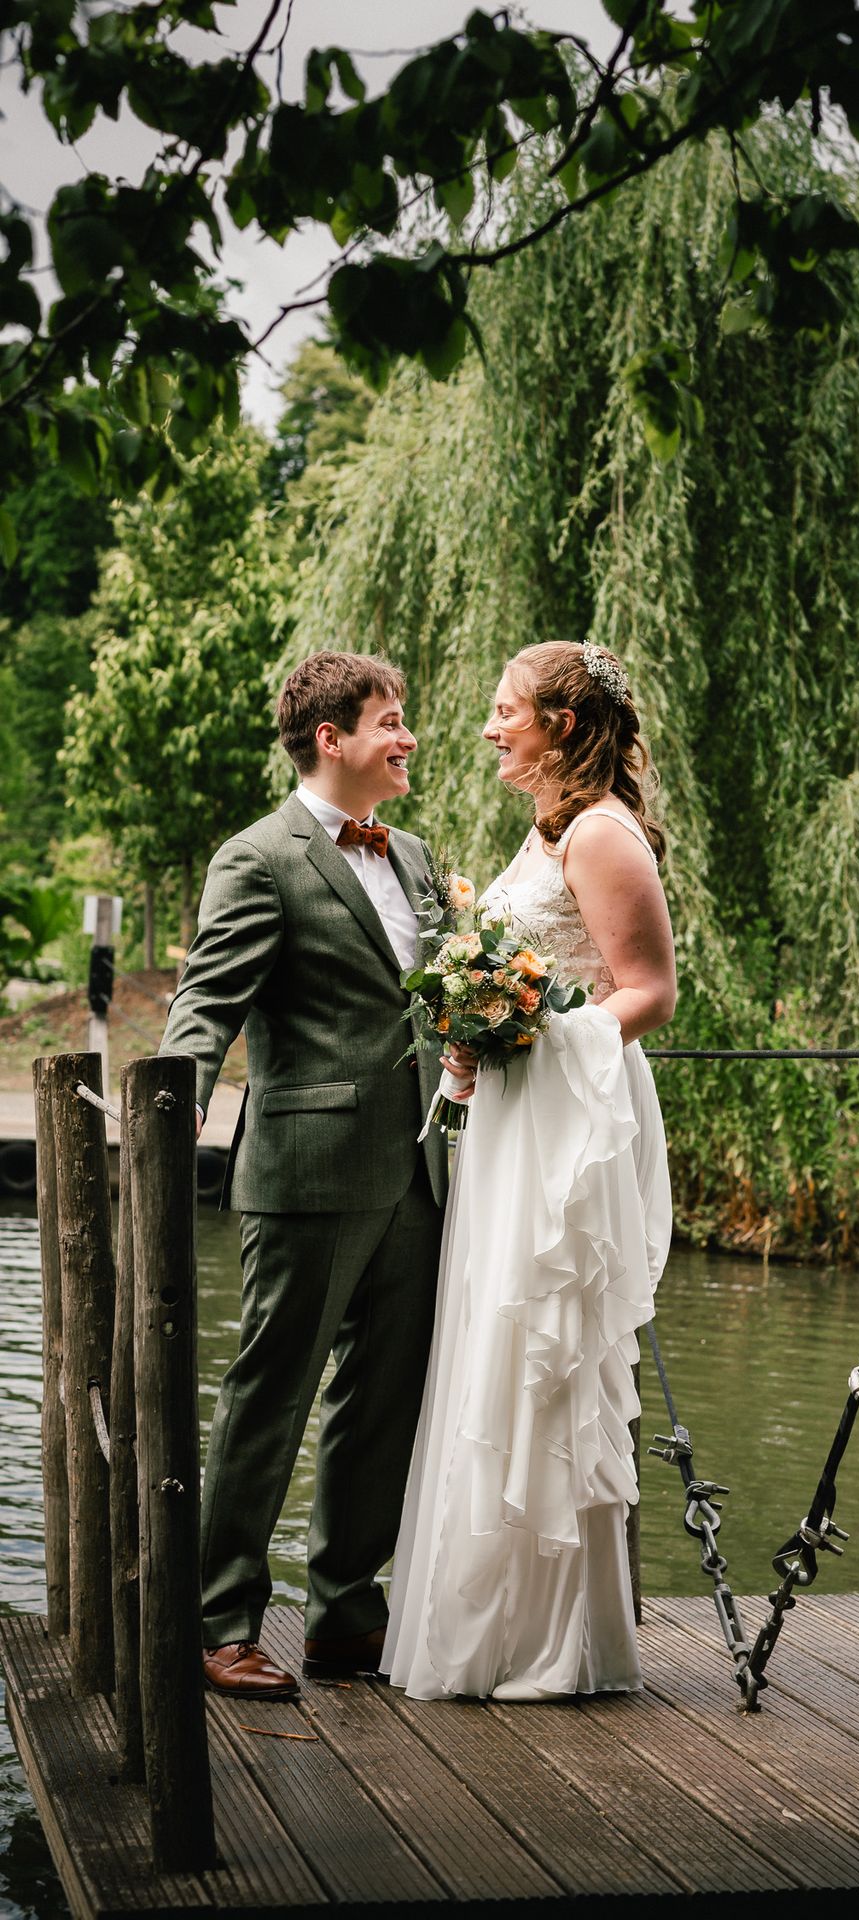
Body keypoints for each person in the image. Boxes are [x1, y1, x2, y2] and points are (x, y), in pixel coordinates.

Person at [382, 640, 676, 1701]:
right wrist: (478, 1029)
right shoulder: (550, 825)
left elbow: (645, 994)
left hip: (565, 1122)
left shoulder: (601, 835)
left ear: (558, 723)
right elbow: (526, 975)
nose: (489, 726)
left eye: (506, 710)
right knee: (493, 1338)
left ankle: (553, 1641)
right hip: (516, 1115)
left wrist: (531, 1035)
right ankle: (494, 1622)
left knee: (539, 1341)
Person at [161, 650, 449, 1699]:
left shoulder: (414, 857)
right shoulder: (259, 856)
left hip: (417, 1171)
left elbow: (439, 999)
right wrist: (174, 1102)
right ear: (330, 738)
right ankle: (219, 1620)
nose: (407, 735)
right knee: (268, 1397)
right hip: (305, 1170)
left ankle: (342, 1616)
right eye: (389, 720)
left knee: (381, 1402)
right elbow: (208, 1000)